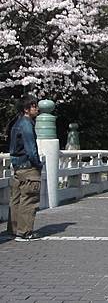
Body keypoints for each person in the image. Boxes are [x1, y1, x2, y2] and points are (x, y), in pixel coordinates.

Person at [8, 95, 43, 241]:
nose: (36, 108)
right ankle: (25, 232)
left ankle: (14, 229)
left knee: (16, 200)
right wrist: (38, 164)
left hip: (17, 167)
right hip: (28, 167)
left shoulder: (16, 123)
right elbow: (31, 149)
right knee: (29, 199)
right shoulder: (27, 124)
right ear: (26, 109)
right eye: (33, 106)